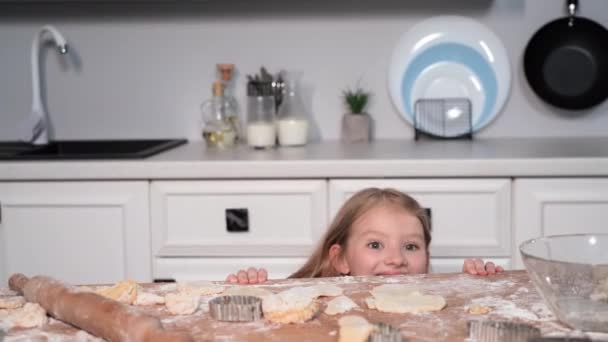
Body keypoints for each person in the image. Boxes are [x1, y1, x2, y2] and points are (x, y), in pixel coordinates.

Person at [226, 187, 504, 284]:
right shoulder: (319, 310)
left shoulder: (435, 307)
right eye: (375, 244)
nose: (396, 259)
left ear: (427, 257)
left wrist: (476, 287)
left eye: (410, 246)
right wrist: (250, 292)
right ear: (341, 259)